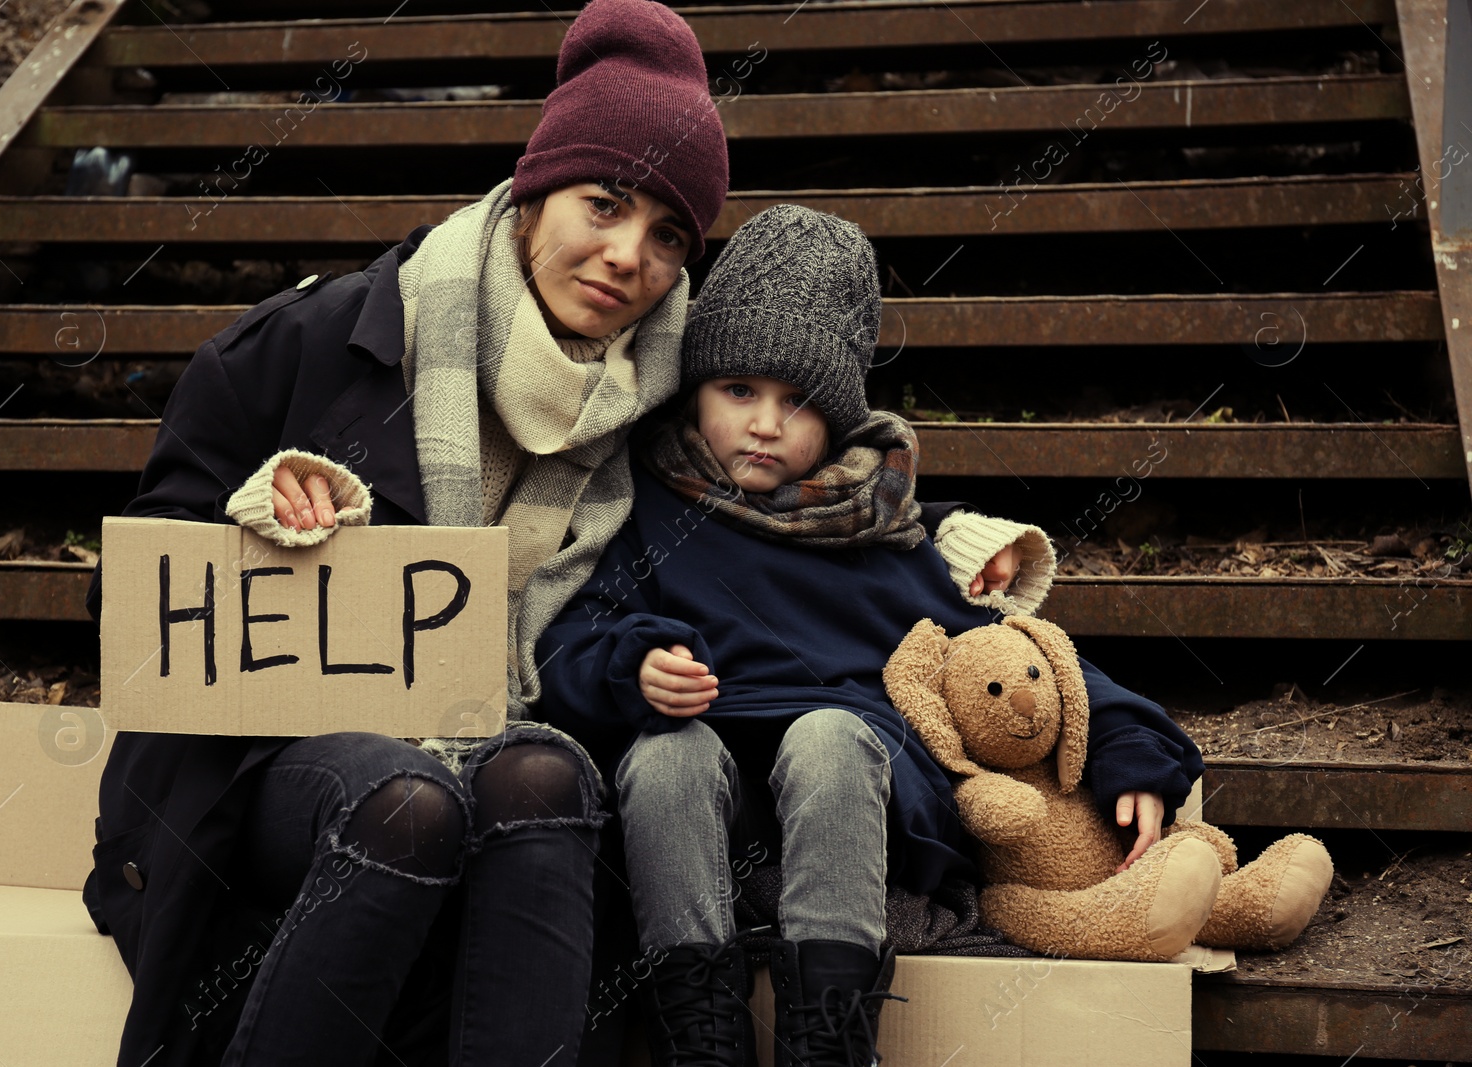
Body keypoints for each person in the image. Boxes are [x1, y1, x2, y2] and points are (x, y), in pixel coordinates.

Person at [79, 2, 729, 1064]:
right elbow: (131, 601)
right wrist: (256, 521)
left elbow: (778, 483)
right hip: (257, 768)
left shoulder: (654, 408)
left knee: (545, 777)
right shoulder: (313, 340)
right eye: (602, 204)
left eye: (668, 235)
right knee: (408, 800)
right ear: (532, 194)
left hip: (494, 744)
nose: (627, 256)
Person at [535, 206, 1204, 1067]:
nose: (765, 424)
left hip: (857, 795)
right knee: (668, 754)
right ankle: (697, 1024)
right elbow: (562, 643)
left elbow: (1011, 656)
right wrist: (631, 668)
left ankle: (831, 1033)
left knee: (829, 734)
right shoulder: (644, 508)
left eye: (798, 402)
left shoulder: (881, 535)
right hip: (711, 816)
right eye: (738, 391)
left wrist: (1131, 746)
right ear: (695, 388)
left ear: (842, 418)